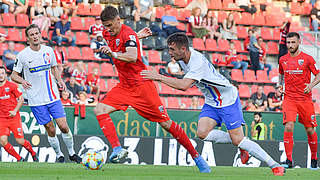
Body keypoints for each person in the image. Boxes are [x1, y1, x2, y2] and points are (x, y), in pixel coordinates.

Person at [141, 33, 285, 176]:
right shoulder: (183, 58)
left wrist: (158, 77)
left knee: (238, 139)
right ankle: (241, 143)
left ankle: (275, 165)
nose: (169, 53)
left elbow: (184, 86)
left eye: (172, 49)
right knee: (203, 133)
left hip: (227, 99)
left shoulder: (196, 62)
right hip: (212, 101)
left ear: (183, 49)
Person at [95, 6, 211, 173]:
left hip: (142, 85)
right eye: (106, 26)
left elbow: (132, 56)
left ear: (118, 21)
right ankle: (117, 149)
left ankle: (196, 157)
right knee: (100, 109)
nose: (108, 29)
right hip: (125, 86)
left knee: (166, 123)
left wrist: (114, 53)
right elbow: (116, 40)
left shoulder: (127, 33)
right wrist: (136, 37)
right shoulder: (110, 33)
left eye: (110, 25)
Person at [10, 24, 82, 163]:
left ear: (40, 35)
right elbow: (13, 75)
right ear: (27, 39)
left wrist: (60, 81)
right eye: (32, 35)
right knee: (51, 129)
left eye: (37, 33)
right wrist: (22, 81)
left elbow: (54, 68)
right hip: (36, 99)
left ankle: (72, 153)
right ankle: (59, 155)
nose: (35, 36)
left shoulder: (48, 51)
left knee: (63, 126)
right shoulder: (23, 55)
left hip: (53, 96)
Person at [279, 32, 320, 169]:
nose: (290, 45)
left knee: (309, 130)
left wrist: (311, 85)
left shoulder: (307, 59)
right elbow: (281, 74)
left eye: (293, 42)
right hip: (289, 98)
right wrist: (281, 86)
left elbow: (318, 74)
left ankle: (314, 159)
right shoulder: (282, 60)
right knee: (289, 125)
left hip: (304, 99)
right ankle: (289, 160)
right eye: (288, 43)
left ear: (299, 42)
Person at [0, 66, 38, 162]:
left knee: (20, 141)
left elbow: (21, 99)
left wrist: (15, 111)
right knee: (3, 141)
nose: (0, 76)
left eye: (2, 73)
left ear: (5, 75)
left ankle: (33, 153)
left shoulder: (12, 86)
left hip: (14, 118)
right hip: (2, 119)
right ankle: (19, 159)